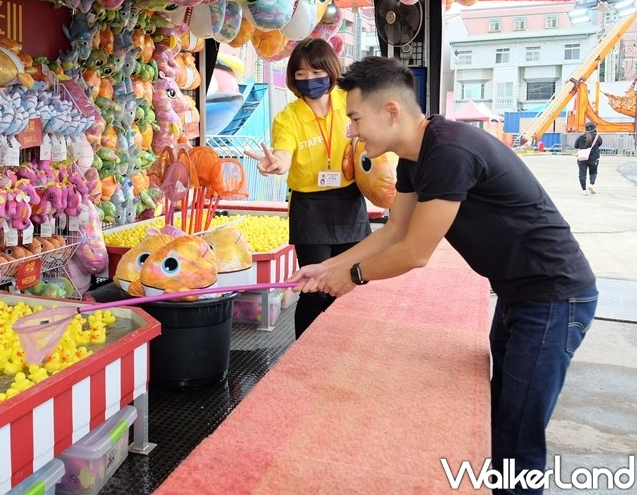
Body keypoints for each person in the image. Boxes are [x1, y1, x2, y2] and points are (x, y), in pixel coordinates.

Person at [292, 56, 597, 494]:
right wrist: (330, 266)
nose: (352, 131)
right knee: (502, 414)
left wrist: (353, 277)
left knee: (517, 431)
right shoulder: (417, 154)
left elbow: (415, 251)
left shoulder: (448, 151)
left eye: (356, 118)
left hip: (554, 297)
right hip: (520, 294)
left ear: (391, 111)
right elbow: (394, 229)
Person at [244, 38, 371, 338]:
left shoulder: (348, 101)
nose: (309, 81)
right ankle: (305, 355)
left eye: (316, 73)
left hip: (349, 202)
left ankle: (343, 346)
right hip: (310, 208)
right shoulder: (288, 118)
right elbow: (284, 152)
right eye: (301, 75)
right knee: (316, 290)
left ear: (331, 70)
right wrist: (277, 163)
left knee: (351, 285)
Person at [574, 121, 602, 194]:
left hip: (582, 158)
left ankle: (584, 190)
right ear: (594, 128)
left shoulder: (581, 137)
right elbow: (600, 143)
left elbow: (576, 146)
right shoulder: (597, 137)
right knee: (593, 172)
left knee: (582, 174)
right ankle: (591, 184)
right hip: (594, 158)